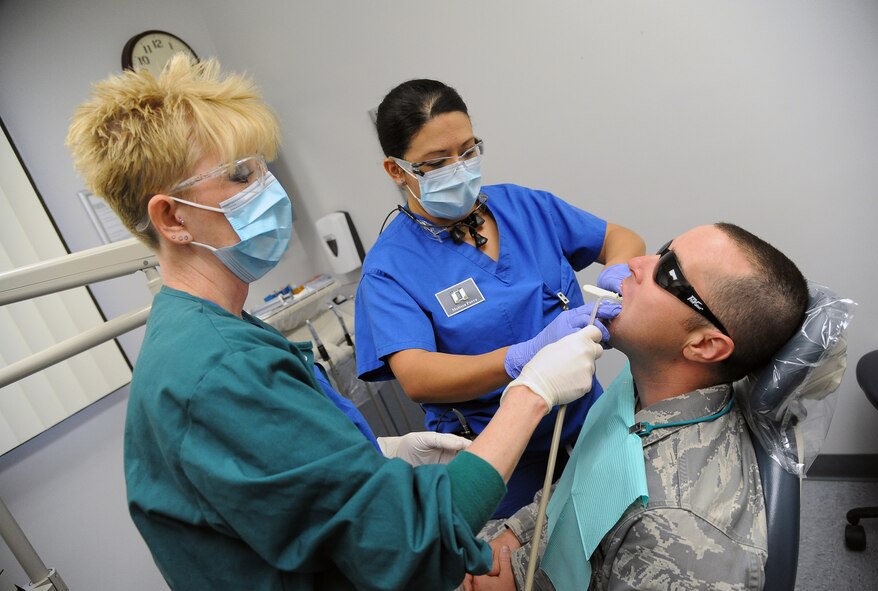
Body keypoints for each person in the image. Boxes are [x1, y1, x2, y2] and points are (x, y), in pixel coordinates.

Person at [66, 55, 607, 590]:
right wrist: (531, 388)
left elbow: (287, 494)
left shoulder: (219, 334)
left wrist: (375, 457)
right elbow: (408, 542)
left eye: (262, 166)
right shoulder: (220, 367)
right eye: (240, 175)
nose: (270, 189)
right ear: (171, 217)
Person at [355, 79, 645, 518]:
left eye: (468, 152)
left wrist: (618, 272)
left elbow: (619, 238)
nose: (460, 168)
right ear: (397, 171)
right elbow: (417, 376)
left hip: (588, 422)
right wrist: (521, 358)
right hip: (499, 459)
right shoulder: (389, 268)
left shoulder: (521, 206)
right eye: (437, 163)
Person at [465, 223, 809, 591]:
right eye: (661, 251)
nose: (636, 264)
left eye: (668, 273)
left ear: (705, 345)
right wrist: (516, 535)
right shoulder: (642, 391)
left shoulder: (677, 534)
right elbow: (582, 483)